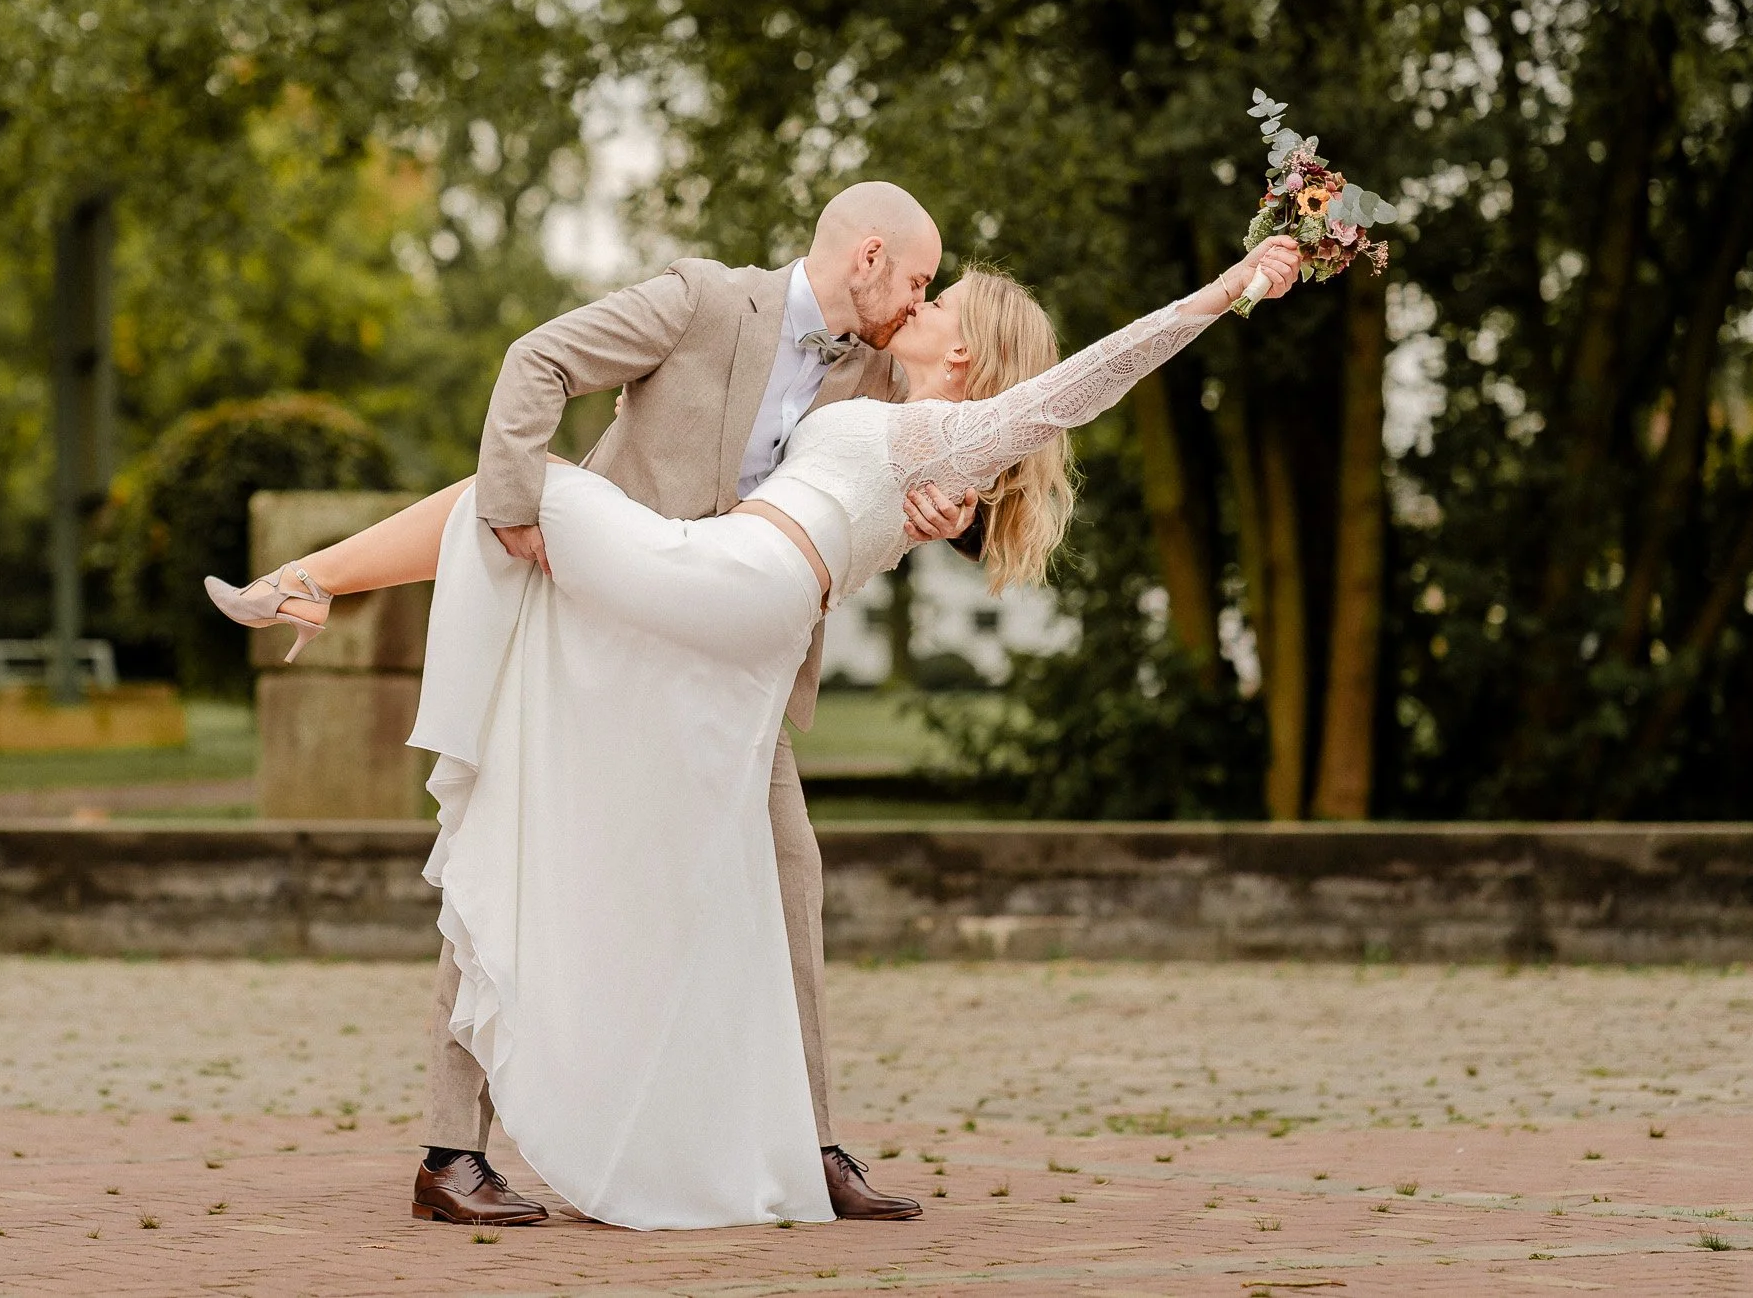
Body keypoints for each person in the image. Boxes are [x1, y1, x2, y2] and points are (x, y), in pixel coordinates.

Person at [211, 195, 1305, 1229]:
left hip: (735, 647)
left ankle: (807, 1145)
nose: (919, 304)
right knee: (510, 817)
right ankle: (453, 1150)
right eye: (918, 281)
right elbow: (537, 361)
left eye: (936, 299)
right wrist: (510, 516)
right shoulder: (702, 300)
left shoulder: (886, 372)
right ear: (868, 256)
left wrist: (952, 504)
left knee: (786, 875)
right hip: (634, 602)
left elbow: (998, 424)